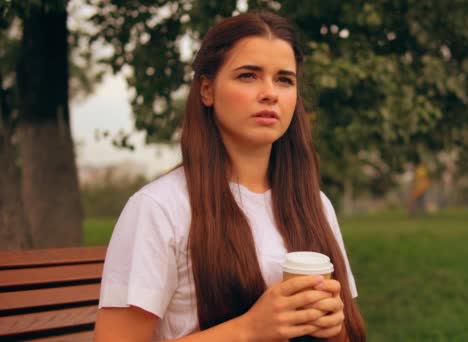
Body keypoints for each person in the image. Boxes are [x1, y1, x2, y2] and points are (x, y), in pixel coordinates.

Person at [94, 10, 366, 342]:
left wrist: (334, 329)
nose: (270, 93)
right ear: (207, 91)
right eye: (248, 76)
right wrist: (249, 329)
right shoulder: (159, 209)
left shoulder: (314, 205)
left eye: (284, 79)